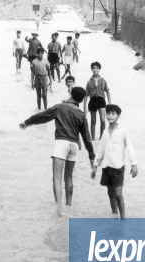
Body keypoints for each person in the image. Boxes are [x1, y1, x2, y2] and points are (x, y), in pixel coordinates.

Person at [19, 87, 95, 216]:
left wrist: (27, 122)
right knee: (69, 178)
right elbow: (87, 137)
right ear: (82, 100)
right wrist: (91, 155)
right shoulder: (81, 114)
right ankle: (69, 206)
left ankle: (59, 210)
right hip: (74, 145)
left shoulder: (60, 107)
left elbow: (43, 116)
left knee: (57, 179)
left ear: (70, 95)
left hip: (62, 143)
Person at [90, 104, 138, 219]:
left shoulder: (123, 130)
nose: (110, 116)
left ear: (118, 116)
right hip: (107, 166)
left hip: (118, 167)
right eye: (108, 113)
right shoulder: (105, 132)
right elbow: (101, 150)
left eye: (113, 114)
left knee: (118, 194)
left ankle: (123, 219)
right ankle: (114, 215)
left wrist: (134, 164)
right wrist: (95, 166)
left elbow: (130, 147)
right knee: (110, 194)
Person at [84, 61, 112, 140]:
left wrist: (110, 104)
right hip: (92, 101)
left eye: (97, 68)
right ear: (91, 69)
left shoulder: (103, 80)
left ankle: (101, 137)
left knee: (103, 121)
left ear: (99, 69)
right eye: (93, 68)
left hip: (101, 100)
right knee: (93, 121)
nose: (95, 70)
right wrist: (84, 107)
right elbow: (86, 95)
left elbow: (107, 91)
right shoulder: (89, 82)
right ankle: (92, 139)